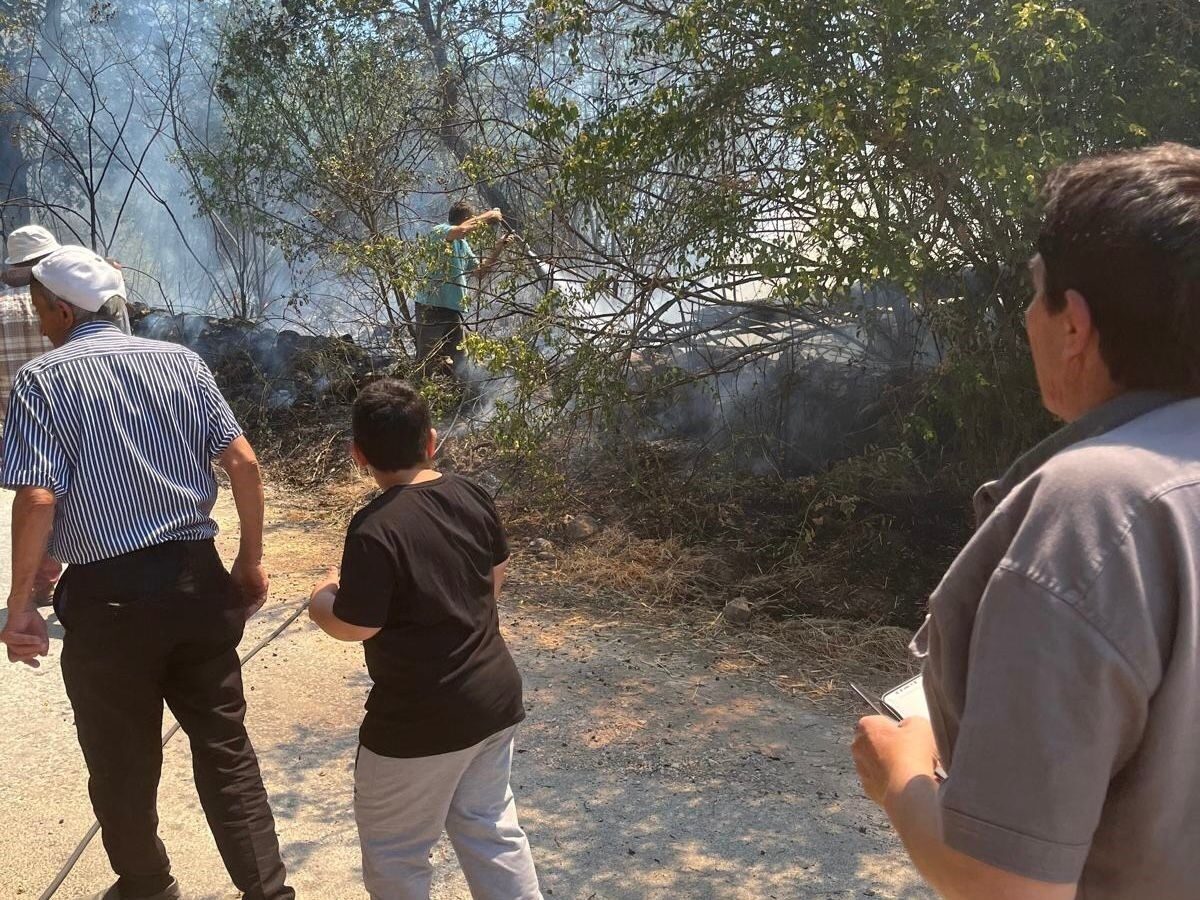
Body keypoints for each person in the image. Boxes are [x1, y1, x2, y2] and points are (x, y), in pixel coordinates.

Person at [852, 142, 1200, 899]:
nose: (1023, 315)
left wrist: (902, 776)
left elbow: (1002, 888)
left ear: (1073, 324)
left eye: (1035, 291)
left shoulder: (1094, 508)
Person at [0, 245, 294, 900]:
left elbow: (39, 498)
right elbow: (243, 465)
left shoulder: (45, 381)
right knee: (226, 752)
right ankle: (269, 893)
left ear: (59, 309)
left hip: (110, 604)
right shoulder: (182, 363)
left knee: (121, 764)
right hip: (197, 585)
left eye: (37, 305)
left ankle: (148, 886)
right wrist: (249, 562)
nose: (36, 317)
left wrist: (21, 606)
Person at [307, 378, 542, 900]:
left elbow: (356, 624)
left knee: (396, 854)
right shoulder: (470, 494)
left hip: (418, 722)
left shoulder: (374, 528)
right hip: (493, 700)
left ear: (357, 455)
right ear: (431, 441)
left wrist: (321, 598)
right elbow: (495, 573)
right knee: (491, 831)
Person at [0, 225, 61, 603]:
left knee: (34, 499)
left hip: (14, 427)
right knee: (74, 500)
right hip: (69, 419)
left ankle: (38, 580)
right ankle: (56, 574)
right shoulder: (64, 307)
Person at [413, 200, 515, 379]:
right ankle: (417, 395)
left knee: (460, 356)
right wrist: (489, 215)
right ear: (466, 219)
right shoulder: (440, 231)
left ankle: (464, 395)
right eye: (472, 220)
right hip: (431, 307)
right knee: (426, 359)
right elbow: (462, 230)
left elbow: (479, 272)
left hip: (452, 309)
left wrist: (499, 247)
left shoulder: (462, 244)